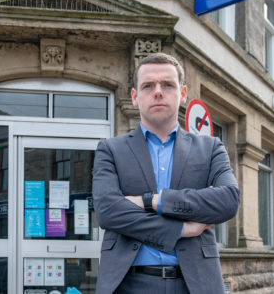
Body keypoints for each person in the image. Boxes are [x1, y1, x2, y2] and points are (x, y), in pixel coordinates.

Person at [92, 53, 240, 294]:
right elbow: (108, 211)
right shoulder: (111, 149)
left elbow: (228, 201)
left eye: (167, 85)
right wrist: (182, 229)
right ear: (135, 97)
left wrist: (152, 201)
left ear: (182, 94)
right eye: (148, 86)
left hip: (195, 285)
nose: (158, 92)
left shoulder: (211, 147)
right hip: (127, 284)